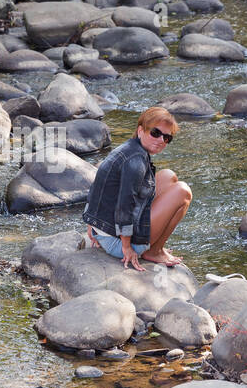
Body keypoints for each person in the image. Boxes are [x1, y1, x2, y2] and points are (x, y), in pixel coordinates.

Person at [81, 106, 192, 271]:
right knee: (183, 192)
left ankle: (151, 247)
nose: (161, 140)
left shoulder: (129, 149)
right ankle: (154, 251)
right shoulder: (135, 163)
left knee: (169, 175)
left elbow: (101, 185)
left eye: (167, 137)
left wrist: (91, 221)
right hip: (117, 242)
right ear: (141, 130)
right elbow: (124, 206)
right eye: (156, 133)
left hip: (104, 229)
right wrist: (126, 247)